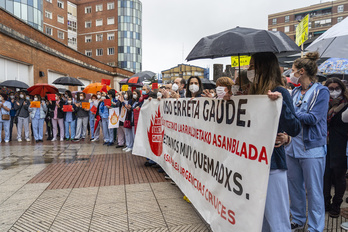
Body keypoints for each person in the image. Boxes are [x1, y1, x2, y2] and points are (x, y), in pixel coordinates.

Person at [246, 52, 301, 232]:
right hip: (252, 162)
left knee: (277, 219)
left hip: (273, 164)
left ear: (263, 67)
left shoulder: (281, 91)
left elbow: (295, 127)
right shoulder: (250, 92)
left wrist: (280, 103)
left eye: (253, 66)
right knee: (258, 219)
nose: (249, 70)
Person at [285, 52, 330, 232]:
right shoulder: (295, 91)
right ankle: (297, 219)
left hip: (312, 149)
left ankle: (315, 227)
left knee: (314, 191)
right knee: (294, 188)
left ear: (302, 71)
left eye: (294, 71)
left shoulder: (321, 91)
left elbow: (313, 118)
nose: (291, 74)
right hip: (292, 147)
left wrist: (291, 112)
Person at [323, 77, 348, 218]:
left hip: (341, 147)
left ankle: (337, 204)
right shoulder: (323, 104)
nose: (333, 91)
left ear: (342, 90)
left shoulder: (346, 105)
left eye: (336, 88)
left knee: (339, 177)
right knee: (325, 177)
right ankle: (326, 202)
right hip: (325, 147)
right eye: (330, 89)